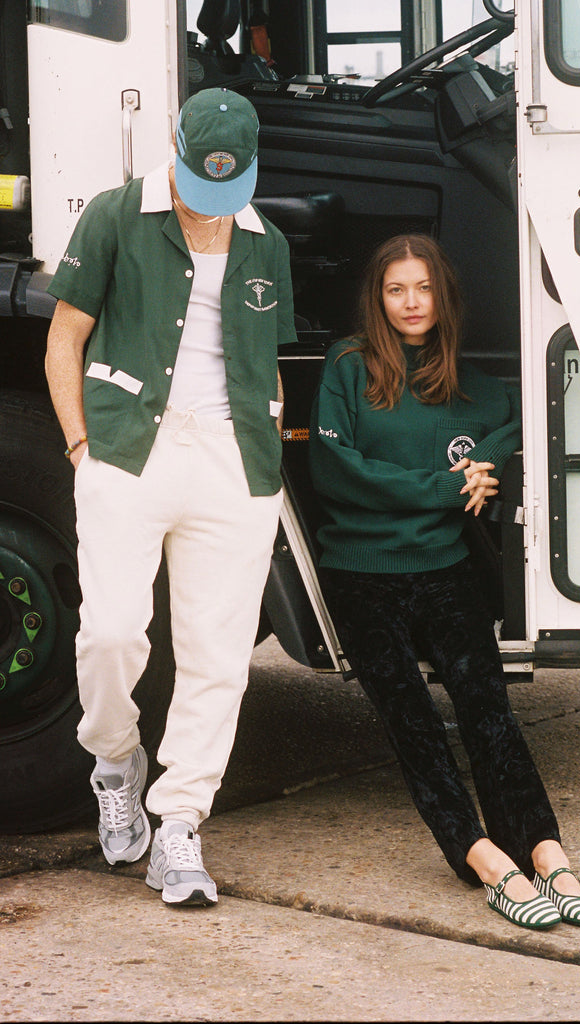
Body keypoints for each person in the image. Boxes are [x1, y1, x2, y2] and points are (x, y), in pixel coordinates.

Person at [45, 88, 297, 906]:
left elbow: (266, 367)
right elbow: (64, 338)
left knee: (218, 658)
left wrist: (261, 454)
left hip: (233, 463)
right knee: (112, 633)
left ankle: (180, 824)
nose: (211, 202)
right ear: (175, 147)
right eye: (200, 179)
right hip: (128, 447)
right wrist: (82, 446)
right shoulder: (117, 215)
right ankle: (114, 759)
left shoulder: (268, 243)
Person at [308, 234, 580, 930]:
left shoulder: (468, 385)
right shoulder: (348, 366)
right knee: (413, 721)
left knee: (487, 708)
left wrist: (487, 462)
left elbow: (516, 423)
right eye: (395, 290)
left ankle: (545, 852)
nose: (411, 303)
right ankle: (484, 861)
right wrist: (445, 486)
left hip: (443, 570)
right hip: (361, 573)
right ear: (376, 299)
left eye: (423, 288)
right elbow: (336, 472)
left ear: (443, 296)